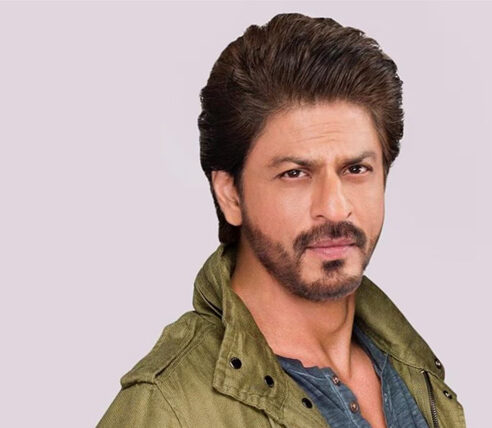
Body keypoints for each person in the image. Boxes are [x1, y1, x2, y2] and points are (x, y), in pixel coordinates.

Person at [99, 13, 465, 428]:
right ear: (230, 194)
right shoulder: (171, 408)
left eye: (356, 169)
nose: (335, 207)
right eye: (295, 173)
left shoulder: (413, 371)